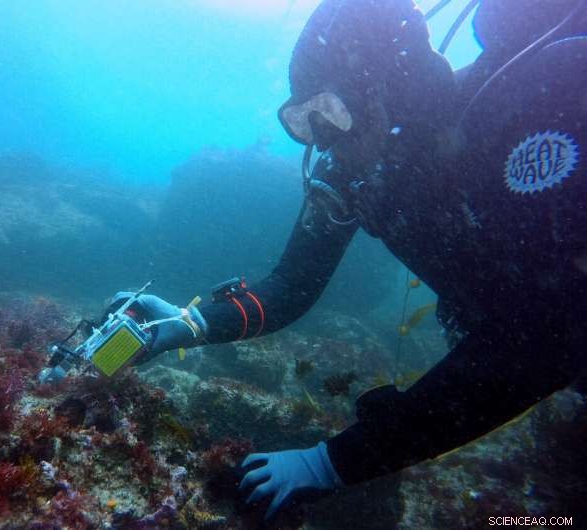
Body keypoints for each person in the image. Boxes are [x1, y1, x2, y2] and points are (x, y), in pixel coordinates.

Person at [110, 0, 587, 520]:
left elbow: (550, 338)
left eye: (331, 110)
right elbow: (291, 285)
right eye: (305, 120)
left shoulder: (531, 111)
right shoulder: (355, 173)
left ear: (392, 86)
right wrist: (193, 323)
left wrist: (336, 462)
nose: (325, 139)